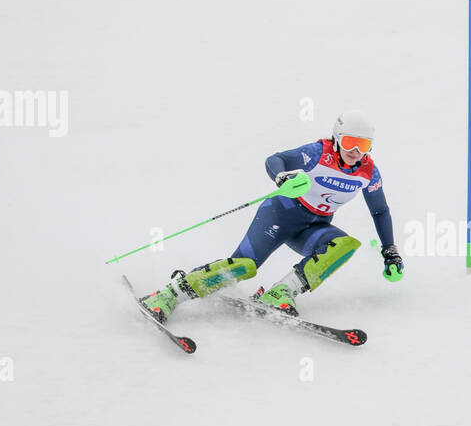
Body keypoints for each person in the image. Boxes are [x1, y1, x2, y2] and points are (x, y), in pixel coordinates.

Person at [139, 111, 403, 321]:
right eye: (350, 143)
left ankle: (281, 293)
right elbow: (275, 159)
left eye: (364, 145)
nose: (356, 151)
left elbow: (380, 211)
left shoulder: (368, 173)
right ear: (336, 138)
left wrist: (389, 249)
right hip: (281, 215)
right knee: (244, 267)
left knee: (344, 245)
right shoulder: (318, 153)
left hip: (313, 228)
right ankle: (167, 295)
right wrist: (281, 176)